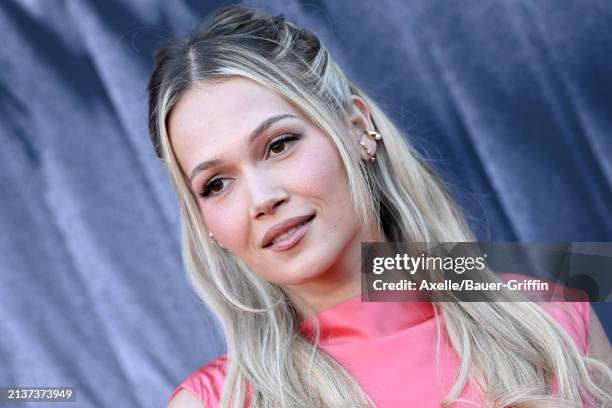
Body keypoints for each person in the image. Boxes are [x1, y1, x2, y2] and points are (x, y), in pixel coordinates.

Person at [147, 5, 612, 407]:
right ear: (203, 221)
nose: (262, 198)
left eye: (280, 144)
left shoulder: (549, 314)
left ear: (356, 127)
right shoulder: (212, 401)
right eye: (216, 185)